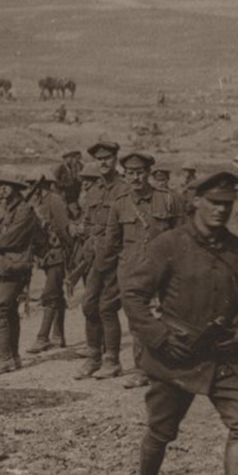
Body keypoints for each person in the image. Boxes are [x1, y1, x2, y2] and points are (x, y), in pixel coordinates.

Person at [121, 172, 238, 475]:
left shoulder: (235, 247)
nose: (221, 210)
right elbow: (134, 295)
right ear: (196, 201)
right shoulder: (169, 244)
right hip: (176, 356)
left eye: (227, 205)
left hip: (223, 354)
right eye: (214, 203)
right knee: (161, 429)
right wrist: (160, 338)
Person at [100, 151, 182, 387]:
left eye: (139, 173)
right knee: (138, 321)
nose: (135, 178)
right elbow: (111, 242)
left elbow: (183, 236)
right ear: (125, 175)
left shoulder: (168, 200)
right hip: (132, 272)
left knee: (168, 317)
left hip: (164, 270)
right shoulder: (120, 204)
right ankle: (143, 371)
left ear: (148, 174)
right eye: (130, 173)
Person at [75, 140, 125, 379]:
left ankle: (112, 360)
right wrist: (87, 243)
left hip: (116, 258)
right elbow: (88, 223)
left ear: (115, 159)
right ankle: (93, 357)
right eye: (99, 159)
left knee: (107, 307)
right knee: (88, 305)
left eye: (107, 158)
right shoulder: (94, 191)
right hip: (95, 258)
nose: (103, 162)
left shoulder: (124, 189)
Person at [0, 170, 38, 374]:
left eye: (7, 185)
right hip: (4, 267)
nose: (2, 189)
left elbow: (10, 240)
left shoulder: (24, 211)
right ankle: (13, 358)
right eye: (0, 186)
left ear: (16, 188)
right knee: (9, 310)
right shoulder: (7, 210)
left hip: (15, 267)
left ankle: (5, 359)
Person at [26, 164, 72, 353]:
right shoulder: (37, 202)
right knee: (56, 294)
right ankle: (58, 336)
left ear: (42, 184)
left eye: (32, 184)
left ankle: (43, 337)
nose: (30, 188)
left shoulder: (55, 200)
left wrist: (68, 255)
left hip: (58, 254)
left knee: (49, 294)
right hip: (46, 256)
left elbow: (64, 229)